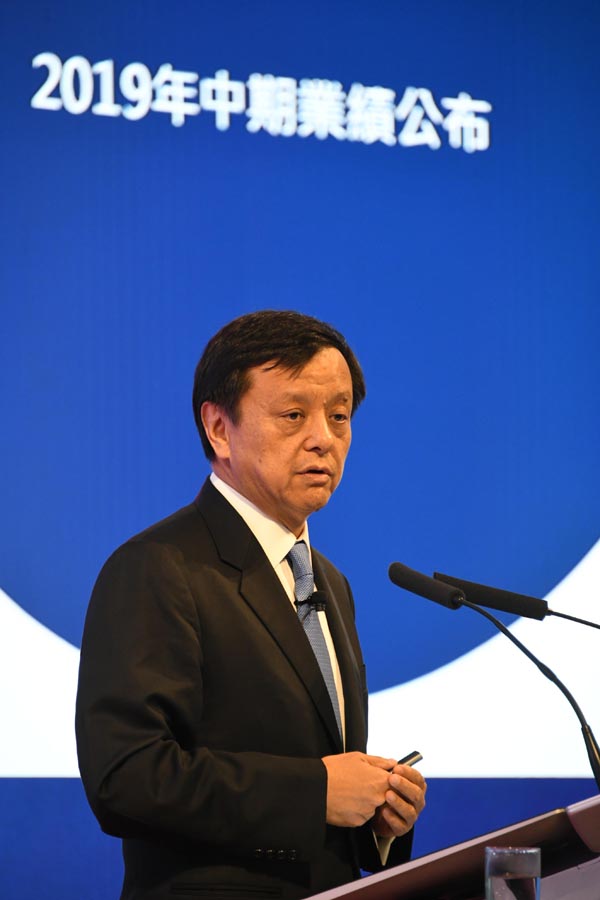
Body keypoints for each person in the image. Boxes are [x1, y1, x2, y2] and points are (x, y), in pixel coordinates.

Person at [76, 310, 426, 900]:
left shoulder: (331, 583)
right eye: (293, 415)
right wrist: (315, 792)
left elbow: (318, 773)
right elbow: (127, 778)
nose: (323, 438)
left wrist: (377, 817)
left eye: (339, 416)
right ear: (219, 428)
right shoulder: (158, 567)